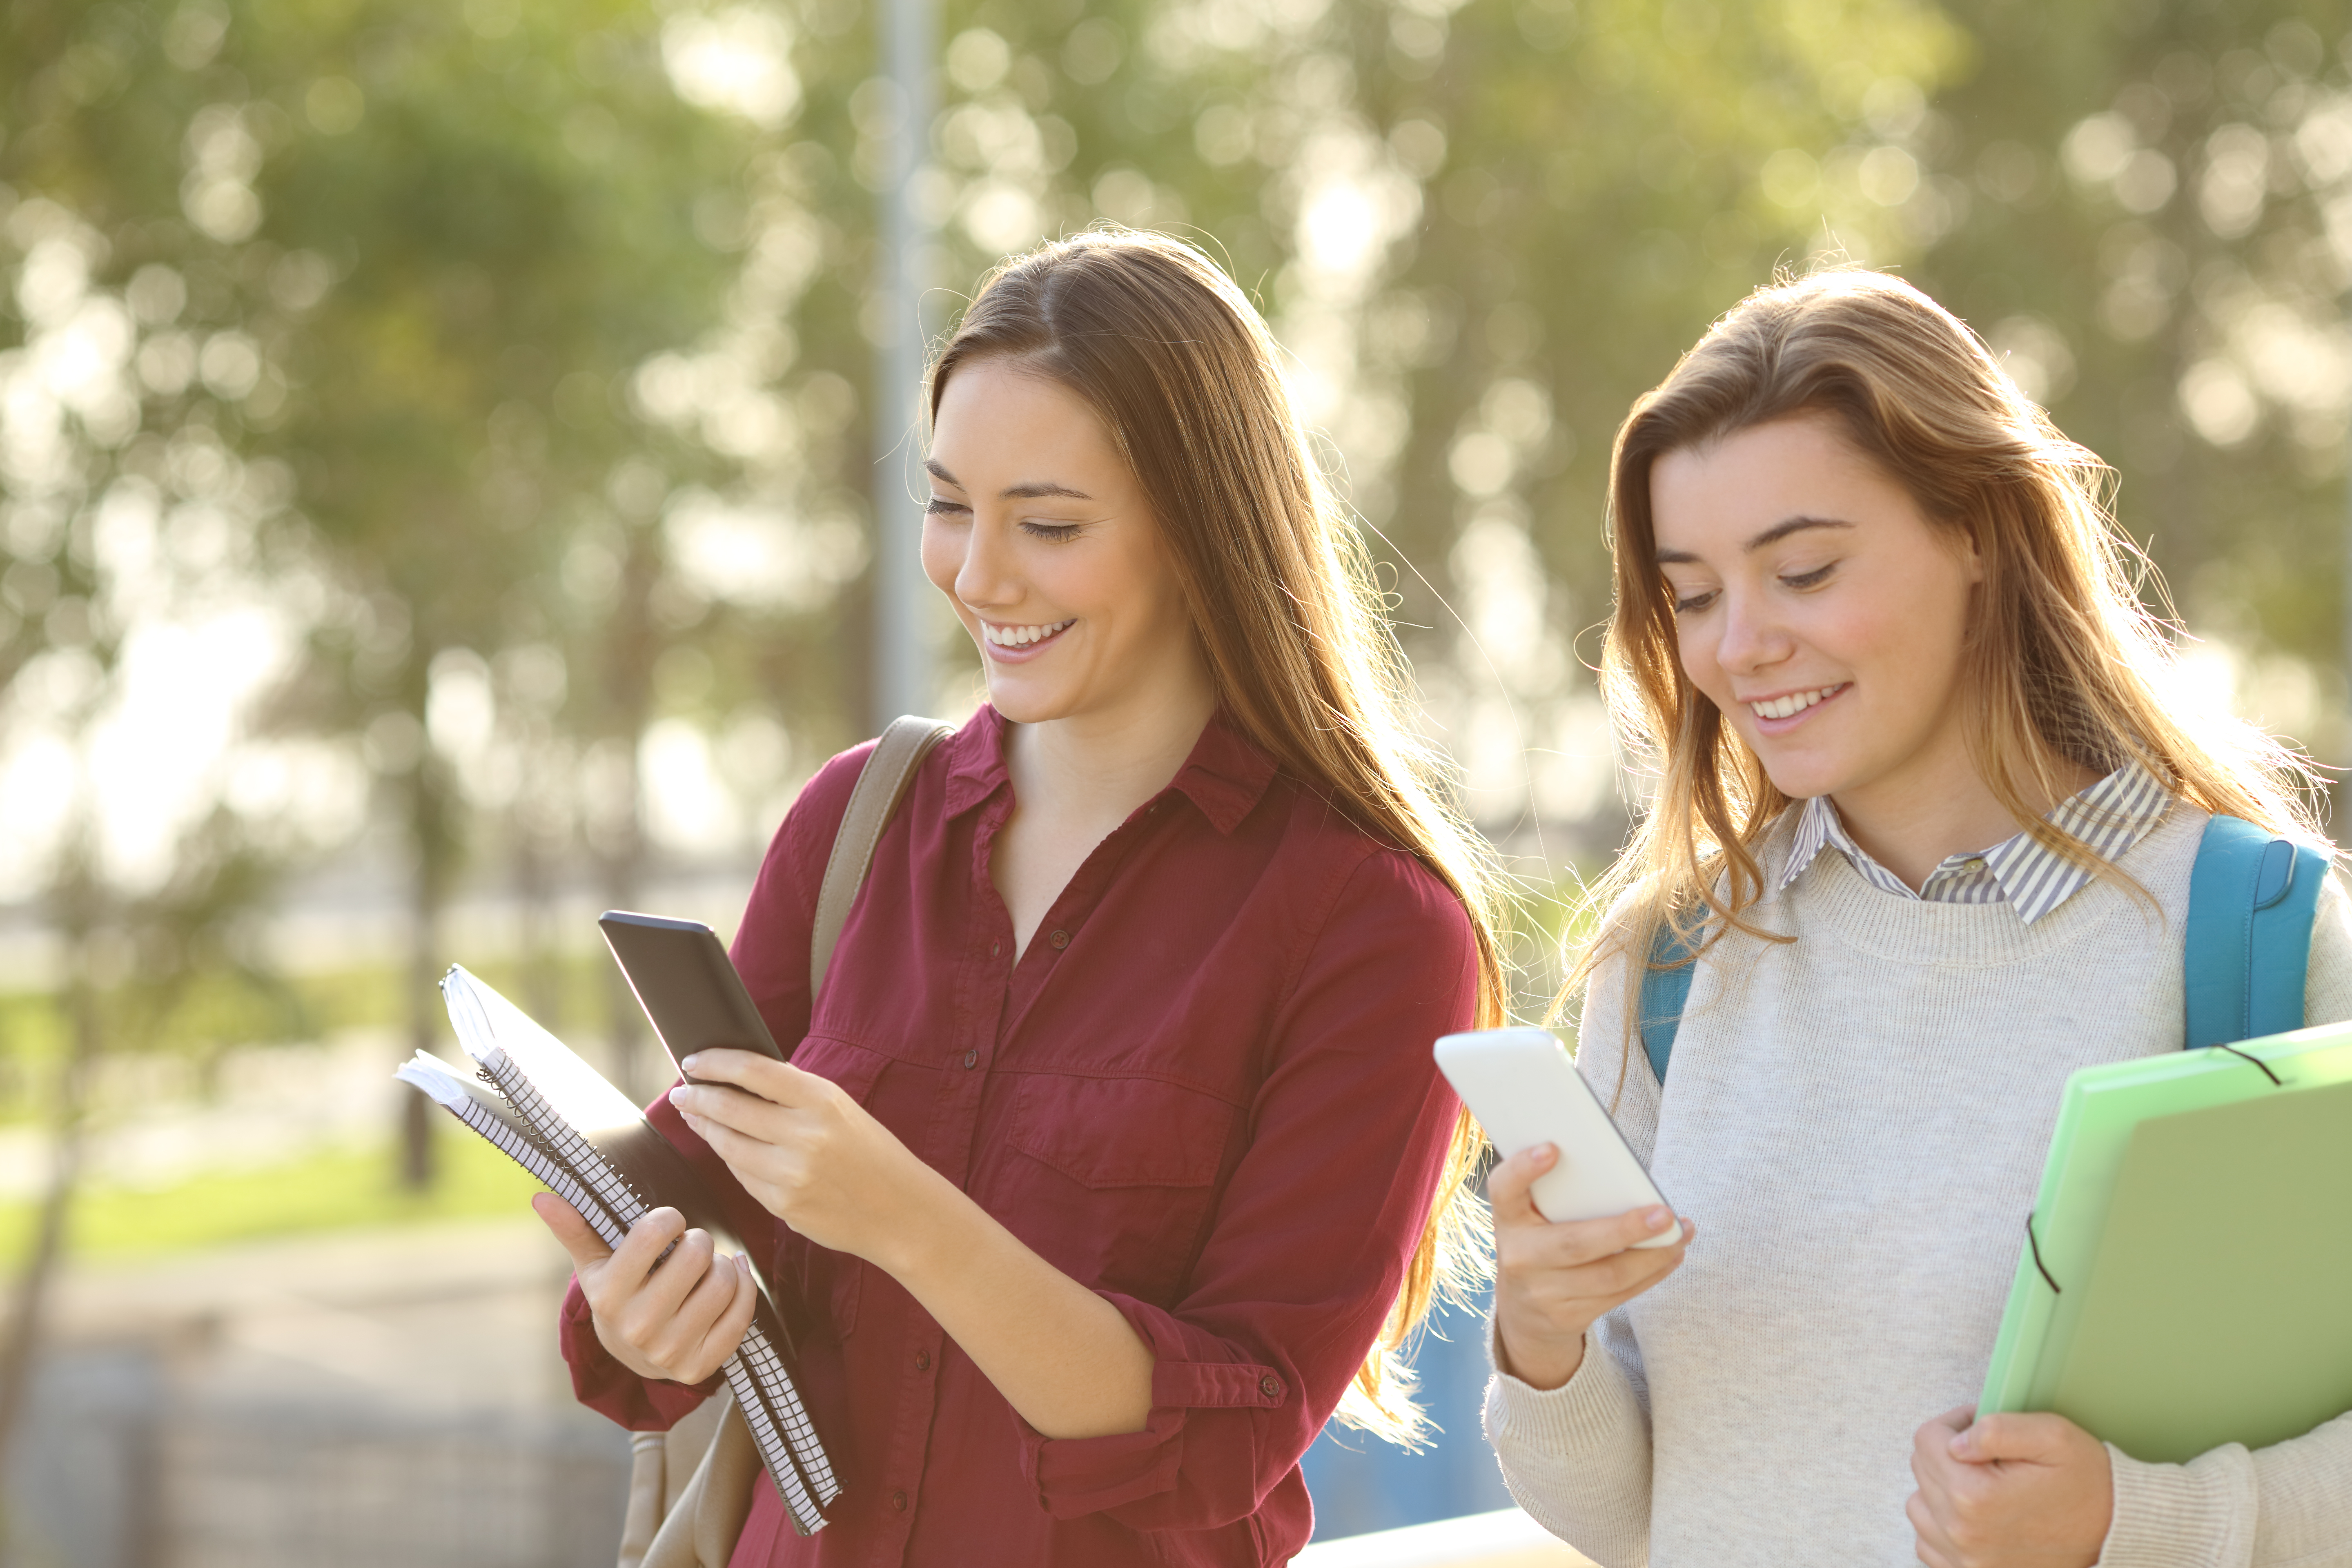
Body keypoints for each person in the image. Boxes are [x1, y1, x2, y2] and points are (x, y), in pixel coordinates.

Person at [534, 229, 1506, 1566]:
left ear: (1200, 528)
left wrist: (905, 1217)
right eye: (949, 506)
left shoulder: (1371, 923)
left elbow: (1234, 1430)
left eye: (1047, 524)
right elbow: (698, 1236)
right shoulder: (854, 825)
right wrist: (642, 1313)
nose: (978, 575)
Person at [1481, 269, 2352, 1567]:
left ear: (1979, 534)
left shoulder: (2262, 936)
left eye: (1805, 570)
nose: (1740, 649)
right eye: (1698, 595)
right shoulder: (1672, 960)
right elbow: (1629, 1518)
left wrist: (2135, 1515)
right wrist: (1540, 1346)